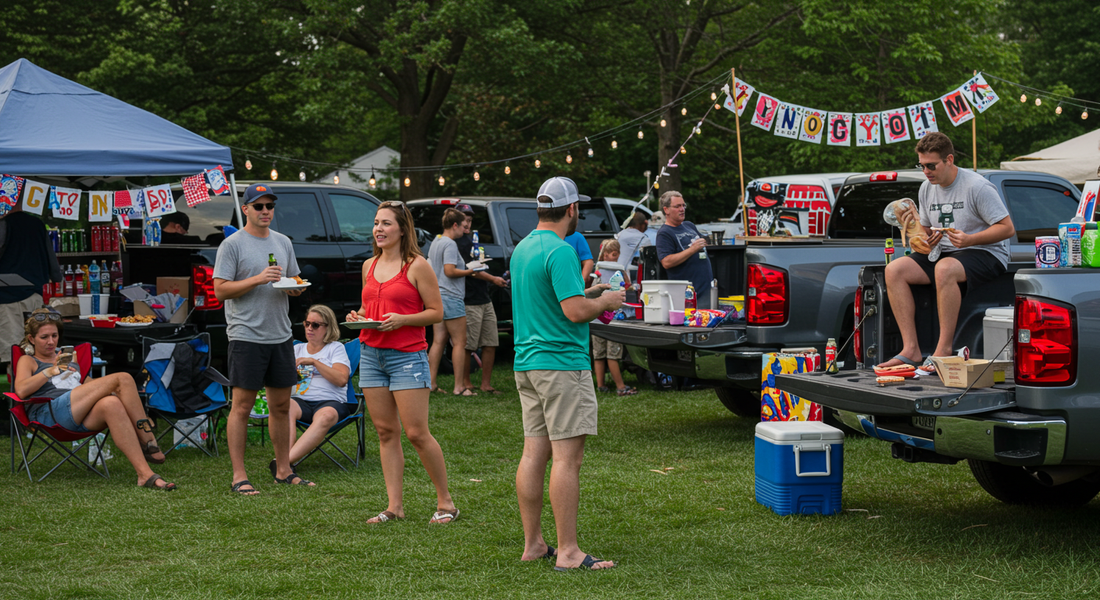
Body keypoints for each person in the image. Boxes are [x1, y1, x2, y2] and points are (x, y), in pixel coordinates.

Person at [512, 176, 623, 571]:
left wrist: (590, 293)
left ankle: (533, 544)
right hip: (561, 365)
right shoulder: (561, 251)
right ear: (572, 209)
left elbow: (555, 299)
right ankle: (569, 552)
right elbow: (574, 313)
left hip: (528, 364)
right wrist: (607, 300)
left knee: (533, 454)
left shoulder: (523, 248)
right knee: (566, 460)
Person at [347, 200, 458, 525]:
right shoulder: (369, 265)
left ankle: (446, 502)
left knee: (416, 433)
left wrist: (403, 319)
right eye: (376, 223)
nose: (378, 229)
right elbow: (369, 308)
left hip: (407, 356)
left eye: (386, 223)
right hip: (371, 354)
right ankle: (394, 506)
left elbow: (436, 312)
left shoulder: (417, 265)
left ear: (402, 229)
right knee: (385, 432)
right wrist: (359, 317)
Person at [876, 132, 1014, 371]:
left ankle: (943, 351)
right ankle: (911, 350)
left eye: (931, 166)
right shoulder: (926, 188)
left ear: (949, 159)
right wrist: (915, 230)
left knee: (944, 268)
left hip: (986, 250)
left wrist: (969, 239)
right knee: (895, 270)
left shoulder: (977, 186)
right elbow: (928, 231)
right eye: (921, 166)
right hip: (946, 250)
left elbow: (1007, 228)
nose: (926, 171)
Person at [213, 183, 308, 495]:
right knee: (242, 406)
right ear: (246, 210)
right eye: (258, 206)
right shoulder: (232, 245)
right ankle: (239, 476)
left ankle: (283, 470)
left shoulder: (283, 241)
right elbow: (220, 290)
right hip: (246, 336)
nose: (265, 211)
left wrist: (296, 287)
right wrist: (257, 279)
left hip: (280, 334)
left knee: (281, 406)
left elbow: (292, 278)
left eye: (269, 206)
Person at [14, 308, 176, 489]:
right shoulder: (28, 361)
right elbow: (21, 390)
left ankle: (145, 475)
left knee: (111, 403)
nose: (51, 342)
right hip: (50, 413)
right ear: (32, 339)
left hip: (77, 411)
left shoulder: (67, 356)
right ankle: (148, 440)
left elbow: (87, 384)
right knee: (123, 378)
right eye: (44, 337)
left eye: (54, 335)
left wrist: (115, 392)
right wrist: (49, 371)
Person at [284, 305, 351, 470]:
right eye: (307, 324)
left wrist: (314, 362)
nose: (309, 328)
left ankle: (283, 463)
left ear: (328, 327)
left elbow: (341, 379)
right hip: (300, 401)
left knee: (326, 416)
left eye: (315, 325)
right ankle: (285, 464)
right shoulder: (296, 349)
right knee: (284, 407)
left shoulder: (335, 348)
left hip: (330, 402)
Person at [454, 205, 508, 395]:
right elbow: (472, 271)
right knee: (469, 344)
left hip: (484, 298)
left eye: (469, 220)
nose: (467, 224)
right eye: (464, 220)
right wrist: (493, 279)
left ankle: (486, 384)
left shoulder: (473, 241)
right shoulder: (456, 243)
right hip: (469, 300)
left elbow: (479, 265)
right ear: (455, 222)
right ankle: (466, 382)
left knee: (491, 342)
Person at [0, 206, 60, 367]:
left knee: (12, 351)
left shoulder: (4, 224)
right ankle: (32, 378)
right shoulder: (37, 224)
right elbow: (51, 257)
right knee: (33, 348)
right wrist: (56, 276)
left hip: (8, 299)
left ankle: (18, 380)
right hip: (35, 295)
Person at [427, 208, 477, 396]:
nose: (465, 229)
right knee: (459, 342)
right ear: (454, 225)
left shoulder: (437, 241)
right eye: (463, 225)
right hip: (451, 297)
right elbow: (449, 271)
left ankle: (431, 384)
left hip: (437, 296)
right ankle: (459, 387)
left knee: (438, 341)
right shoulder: (450, 244)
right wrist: (471, 271)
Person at [591, 239, 636, 397]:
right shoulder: (616, 271)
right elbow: (627, 286)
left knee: (599, 354)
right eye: (612, 254)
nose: (614, 257)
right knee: (612, 354)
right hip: (611, 319)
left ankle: (601, 385)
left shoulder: (597, 271)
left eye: (616, 254)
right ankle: (620, 387)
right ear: (605, 254)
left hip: (596, 317)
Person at [655, 190, 714, 308]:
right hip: (688, 296)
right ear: (666, 210)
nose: (682, 209)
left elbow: (701, 246)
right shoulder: (664, 233)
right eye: (677, 206)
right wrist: (692, 249)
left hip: (706, 289)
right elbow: (666, 262)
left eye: (683, 205)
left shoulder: (689, 225)